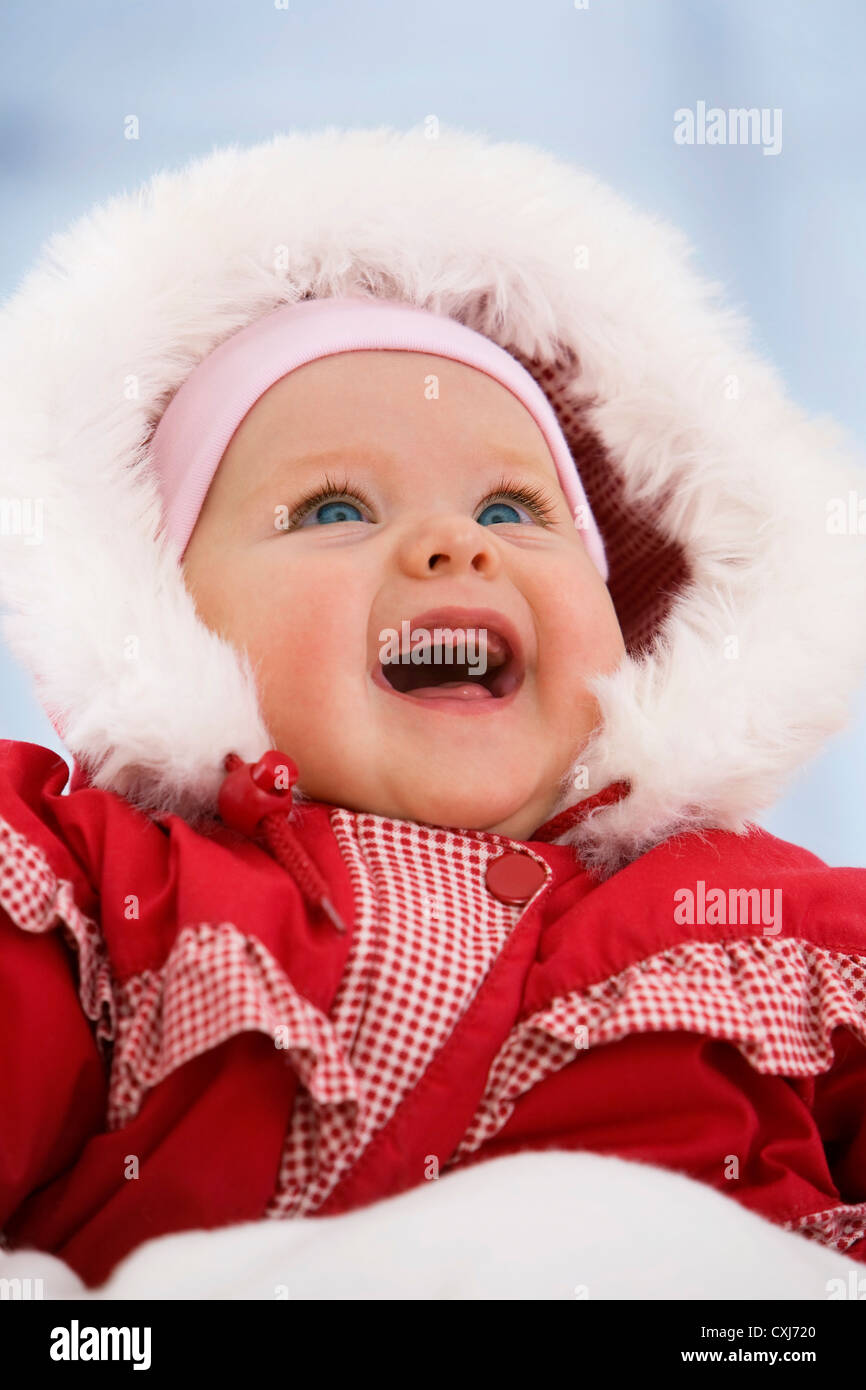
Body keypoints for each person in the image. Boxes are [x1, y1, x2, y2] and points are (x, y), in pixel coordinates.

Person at [0, 126, 864, 1292]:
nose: (452, 544)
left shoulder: (768, 926)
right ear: (167, 615)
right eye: (333, 507)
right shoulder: (107, 893)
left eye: (512, 510)